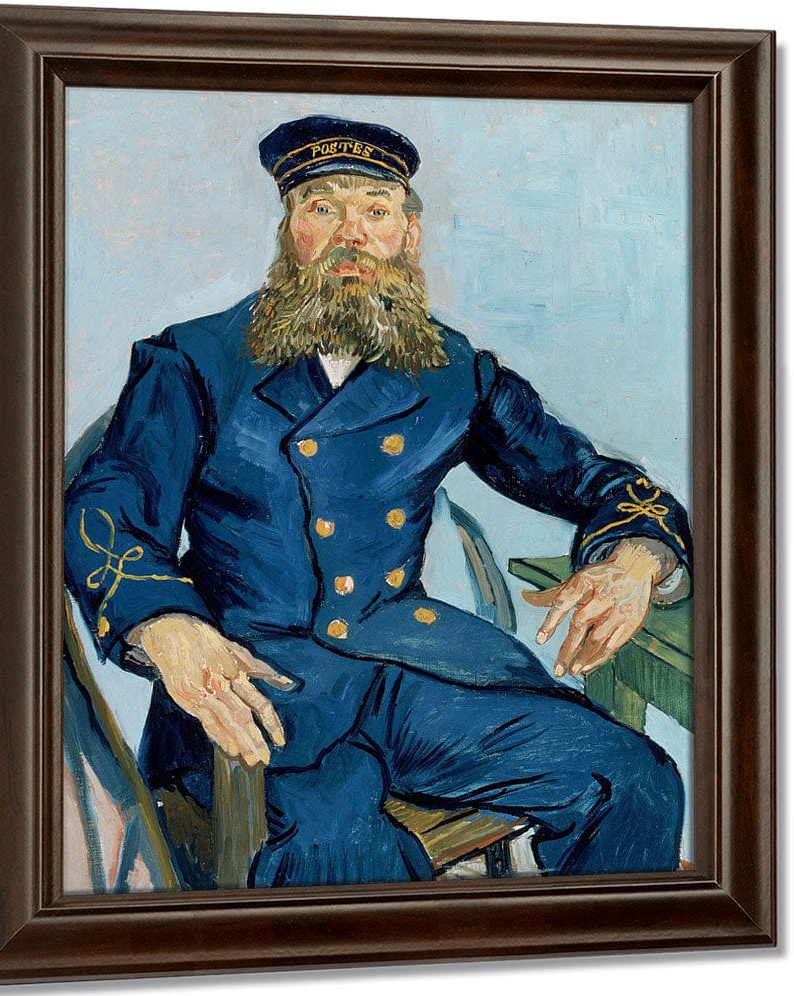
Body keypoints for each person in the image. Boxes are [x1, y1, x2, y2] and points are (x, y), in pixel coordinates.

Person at [65, 115, 692, 889]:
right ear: (289, 230)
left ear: (408, 236)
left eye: (375, 210)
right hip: (255, 687)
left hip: (411, 670)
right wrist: (164, 625)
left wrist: (637, 558)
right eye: (323, 208)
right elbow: (108, 506)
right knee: (341, 861)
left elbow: (593, 479)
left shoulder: (451, 370)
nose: (350, 235)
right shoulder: (194, 359)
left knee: (632, 778)